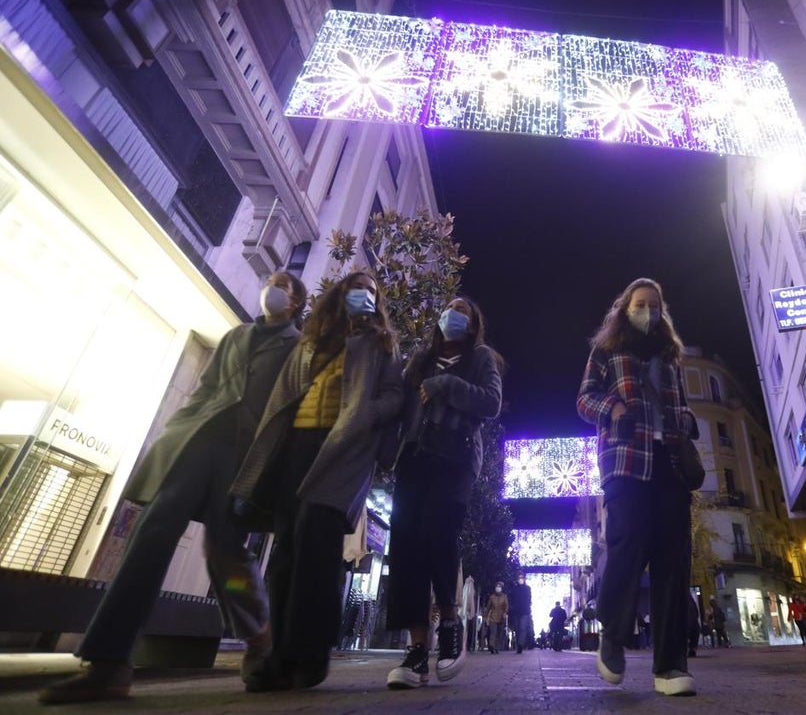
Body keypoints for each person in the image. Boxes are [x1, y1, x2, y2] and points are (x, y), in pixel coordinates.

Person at [39, 272, 307, 704]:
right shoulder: (237, 335)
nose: (271, 288)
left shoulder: (298, 348)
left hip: (244, 457)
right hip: (196, 442)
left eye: (283, 285)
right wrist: (177, 428)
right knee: (152, 530)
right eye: (270, 281)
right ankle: (108, 662)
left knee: (224, 549)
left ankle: (259, 636)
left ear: (295, 303)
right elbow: (207, 388)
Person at [230, 271, 405, 692]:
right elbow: (284, 395)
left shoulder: (381, 344)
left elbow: (395, 396)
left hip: (343, 450)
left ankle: (310, 653)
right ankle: (280, 656)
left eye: (370, 291)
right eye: (354, 288)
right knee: (288, 548)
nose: (362, 295)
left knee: (318, 540)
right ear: (339, 295)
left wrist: (367, 416)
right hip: (295, 447)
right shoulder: (312, 339)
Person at [577, 278, 699, 697]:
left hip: (669, 464)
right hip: (626, 461)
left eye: (654, 304)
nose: (648, 310)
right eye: (640, 304)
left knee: (673, 560)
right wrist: (613, 408)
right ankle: (612, 633)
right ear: (624, 308)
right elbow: (585, 399)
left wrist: (685, 422)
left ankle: (670, 666)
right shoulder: (607, 351)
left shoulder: (669, 356)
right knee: (626, 545)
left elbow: (680, 404)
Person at [385, 296, 503, 689]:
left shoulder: (481, 357)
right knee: (405, 547)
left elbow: (491, 402)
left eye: (463, 311)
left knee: (438, 534)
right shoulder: (419, 360)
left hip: (455, 460)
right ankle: (418, 648)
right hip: (415, 459)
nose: (453, 314)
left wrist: (445, 385)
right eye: (450, 308)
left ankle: (451, 626)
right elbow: (399, 407)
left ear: (472, 325)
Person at [508, 572, 533, 653]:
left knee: (522, 628)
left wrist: (528, 609)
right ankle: (519, 643)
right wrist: (512, 608)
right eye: (519, 578)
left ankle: (520, 644)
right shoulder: (514, 588)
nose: (520, 579)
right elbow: (511, 599)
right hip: (516, 612)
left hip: (525, 612)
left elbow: (529, 600)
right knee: (517, 629)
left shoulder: (527, 588)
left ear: (524, 579)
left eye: (522, 577)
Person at [484, 582, 509, 654]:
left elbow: (506, 606)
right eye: (497, 586)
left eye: (499, 586)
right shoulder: (492, 597)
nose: (498, 588)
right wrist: (485, 616)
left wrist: (505, 612)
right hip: (493, 617)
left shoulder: (504, 596)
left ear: (501, 588)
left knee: (499, 633)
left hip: (502, 617)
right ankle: (491, 645)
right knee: (493, 632)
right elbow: (488, 607)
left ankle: (497, 648)